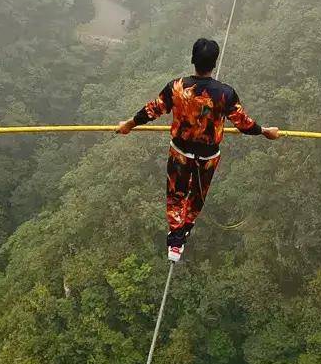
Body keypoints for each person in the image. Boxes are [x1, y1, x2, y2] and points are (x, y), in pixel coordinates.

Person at [116, 37, 278, 261]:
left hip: (180, 152)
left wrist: (128, 124)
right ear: (214, 63)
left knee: (176, 195)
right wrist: (265, 131)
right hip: (208, 156)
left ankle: (176, 238)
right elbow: (244, 123)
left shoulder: (177, 87)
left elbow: (152, 110)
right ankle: (187, 226)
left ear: (193, 59)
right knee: (198, 195)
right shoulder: (225, 93)